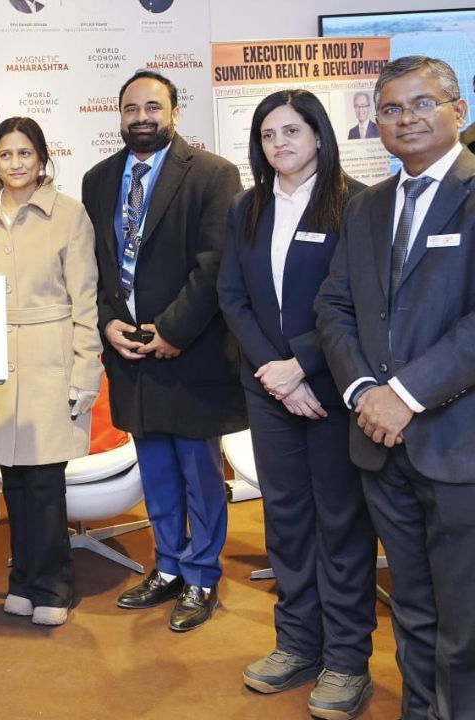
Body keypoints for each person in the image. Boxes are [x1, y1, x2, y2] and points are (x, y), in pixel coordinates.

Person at [316, 55, 475, 720]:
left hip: (457, 448)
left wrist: (403, 394)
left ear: (459, 112)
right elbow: (334, 306)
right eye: (389, 109)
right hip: (379, 446)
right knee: (409, 604)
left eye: (421, 104)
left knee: (465, 620)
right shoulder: (367, 206)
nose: (404, 118)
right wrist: (361, 392)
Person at [218, 89, 376, 720]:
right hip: (270, 391)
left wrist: (304, 365)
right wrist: (276, 374)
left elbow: (361, 302)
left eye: (291, 131)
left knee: (339, 522)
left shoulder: (358, 204)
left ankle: (346, 660)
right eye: (267, 135)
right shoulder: (246, 207)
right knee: (284, 519)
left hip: (334, 388)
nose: (278, 144)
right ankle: (297, 645)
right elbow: (233, 296)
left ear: (318, 135)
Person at [80, 69, 245, 632]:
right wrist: (108, 323)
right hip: (129, 355)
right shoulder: (98, 179)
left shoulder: (214, 176)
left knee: (199, 470)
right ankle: (169, 565)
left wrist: (173, 331)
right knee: (156, 469)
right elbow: (98, 267)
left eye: (154, 107)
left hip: (190, 352)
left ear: (175, 113)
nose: (142, 117)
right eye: (131, 108)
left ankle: (202, 574)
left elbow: (214, 264)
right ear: (119, 114)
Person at [0, 117, 101, 627]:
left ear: (42, 158)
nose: (15, 164)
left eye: (24, 154)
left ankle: (55, 583)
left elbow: (86, 300)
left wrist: (86, 371)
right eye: (6, 155)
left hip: (51, 360)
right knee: (15, 483)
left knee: (47, 482)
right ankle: (23, 580)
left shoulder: (70, 215)